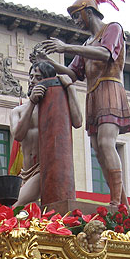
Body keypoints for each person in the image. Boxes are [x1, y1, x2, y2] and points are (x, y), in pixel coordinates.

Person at [42, 0, 130, 207]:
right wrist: (48, 62)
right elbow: (72, 74)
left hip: (110, 88)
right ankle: (123, 204)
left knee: (105, 143)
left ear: (88, 12)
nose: (76, 21)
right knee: (97, 148)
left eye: (76, 16)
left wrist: (66, 48)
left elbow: (105, 53)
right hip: (93, 94)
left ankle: (116, 202)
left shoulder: (112, 29)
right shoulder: (86, 43)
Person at [11, 61, 82, 207]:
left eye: (37, 77)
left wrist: (70, 88)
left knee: (17, 205)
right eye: (30, 77)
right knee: (22, 210)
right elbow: (18, 135)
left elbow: (78, 121)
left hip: (43, 169)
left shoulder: (56, 107)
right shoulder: (17, 111)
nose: (32, 81)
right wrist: (31, 102)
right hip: (24, 172)